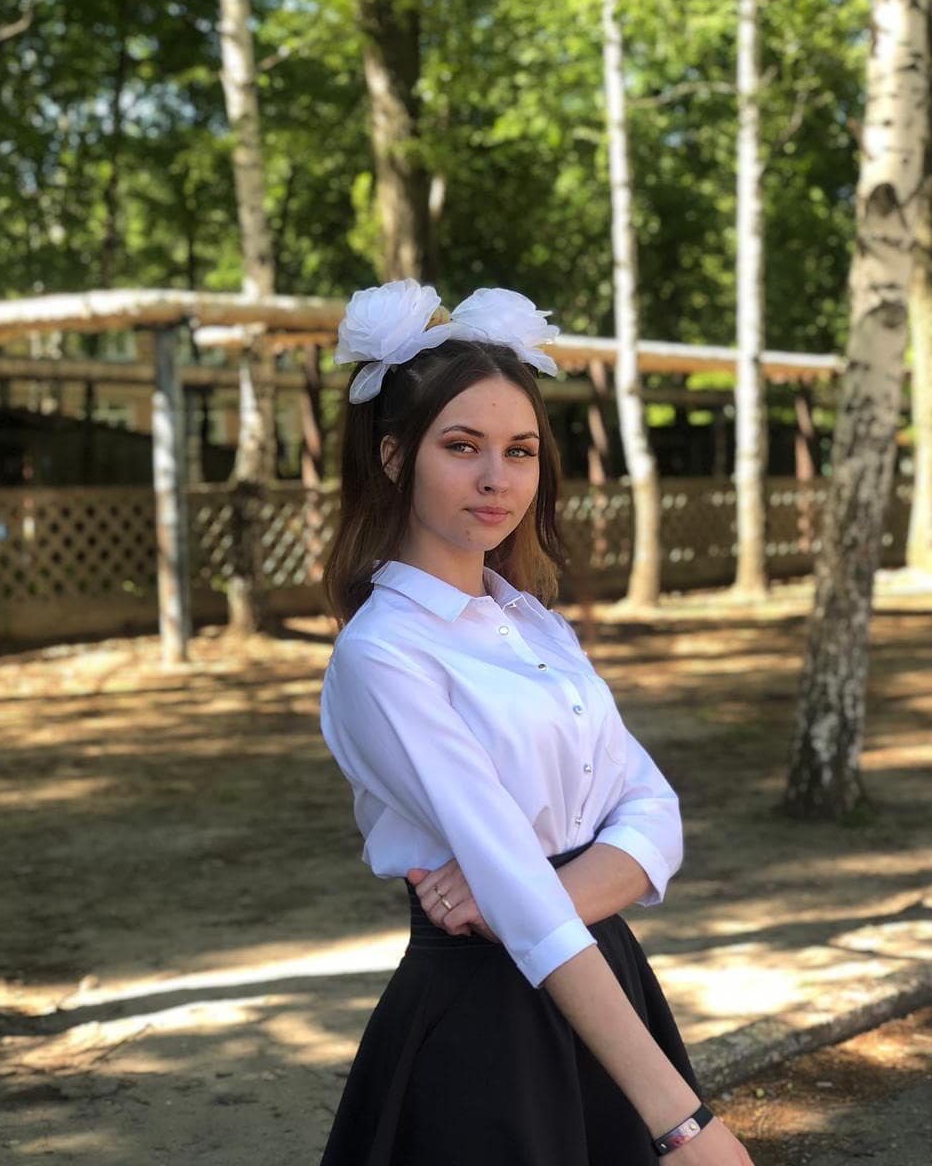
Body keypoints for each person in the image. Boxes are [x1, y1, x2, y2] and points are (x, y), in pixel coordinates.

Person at [318, 279, 753, 1165]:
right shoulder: (383, 654)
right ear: (395, 457)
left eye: (519, 451)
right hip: (486, 1027)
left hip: (604, 982)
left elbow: (654, 816)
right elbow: (533, 883)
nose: (497, 479)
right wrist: (683, 1123)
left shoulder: (534, 625)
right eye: (462, 447)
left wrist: (520, 894)